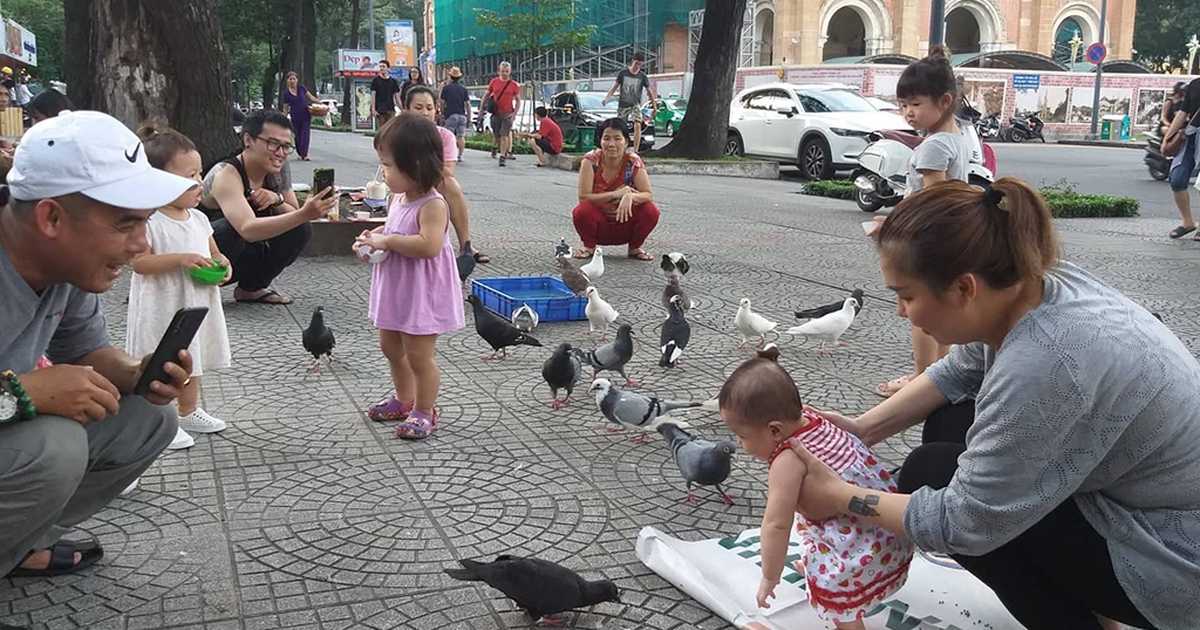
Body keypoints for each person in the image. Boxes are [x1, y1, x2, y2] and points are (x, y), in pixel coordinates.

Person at [787, 178, 1200, 630]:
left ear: (964, 289)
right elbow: (960, 369)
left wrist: (840, 496)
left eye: (906, 296)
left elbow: (964, 521)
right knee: (950, 423)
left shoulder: (1044, 363)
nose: (901, 313)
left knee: (932, 474)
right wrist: (861, 430)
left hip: (1175, 561)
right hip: (1140, 495)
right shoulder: (1034, 282)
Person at [0, 110, 195, 582]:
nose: (140, 244)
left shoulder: (65, 266)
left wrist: (136, 373)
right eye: (125, 223)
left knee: (145, 416)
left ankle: (21, 543)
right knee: (54, 447)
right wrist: (22, 391)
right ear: (51, 217)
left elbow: (88, 353)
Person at [720, 346, 913, 629]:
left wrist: (770, 576)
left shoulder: (788, 458)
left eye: (742, 436)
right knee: (815, 519)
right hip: (891, 537)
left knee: (839, 605)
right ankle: (817, 561)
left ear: (774, 430)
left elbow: (776, 524)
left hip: (859, 556)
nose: (739, 443)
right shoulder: (816, 419)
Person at [355, 114, 464, 438]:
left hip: (421, 293)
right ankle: (403, 399)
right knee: (390, 346)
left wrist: (386, 240)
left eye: (387, 165)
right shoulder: (398, 198)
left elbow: (428, 245)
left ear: (415, 164)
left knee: (419, 355)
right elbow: (392, 229)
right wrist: (372, 236)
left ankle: (424, 410)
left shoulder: (433, 204)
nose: (383, 173)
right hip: (396, 288)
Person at [129, 121, 232, 451]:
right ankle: (161, 421)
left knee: (193, 356)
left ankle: (188, 411)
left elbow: (214, 253)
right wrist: (180, 259)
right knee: (162, 362)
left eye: (199, 174)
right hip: (162, 304)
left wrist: (224, 265)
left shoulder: (199, 219)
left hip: (197, 302)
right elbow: (140, 263)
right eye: (188, 177)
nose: (199, 183)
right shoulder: (150, 221)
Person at [876, 46, 970, 398]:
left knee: (919, 310)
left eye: (915, 104)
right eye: (903, 105)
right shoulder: (956, 138)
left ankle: (920, 375)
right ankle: (941, 370)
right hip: (946, 236)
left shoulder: (932, 147)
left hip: (924, 238)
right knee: (938, 306)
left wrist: (892, 225)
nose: (907, 113)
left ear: (944, 101)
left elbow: (934, 200)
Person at [200, 109, 337, 305]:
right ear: (248, 140)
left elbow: (294, 216)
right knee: (232, 230)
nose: (280, 153)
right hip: (208, 257)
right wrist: (304, 213)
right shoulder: (226, 174)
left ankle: (251, 288)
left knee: (300, 228)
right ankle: (201, 288)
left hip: (245, 254)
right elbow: (247, 229)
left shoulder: (277, 169)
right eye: (273, 144)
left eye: (285, 146)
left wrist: (277, 199)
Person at [404, 85, 490, 264]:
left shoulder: (445, 136)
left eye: (429, 108)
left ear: (436, 110)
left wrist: (426, 148)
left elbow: (448, 172)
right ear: (407, 110)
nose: (425, 113)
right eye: (418, 108)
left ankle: (465, 245)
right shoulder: (399, 135)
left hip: (433, 183)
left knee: (450, 185)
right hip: (405, 184)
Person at [571, 118, 659, 261]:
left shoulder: (632, 161)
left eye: (618, 139)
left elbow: (648, 194)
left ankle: (635, 248)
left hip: (625, 222)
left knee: (650, 210)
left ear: (626, 142)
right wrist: (615, 194)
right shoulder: (590, 161)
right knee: (582, 211)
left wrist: (630, 196)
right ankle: (589, 247)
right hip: (599, 224)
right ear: (600, 141)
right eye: (606, 138)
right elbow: (583, 197)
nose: (611, 144)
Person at [1165, 78, 1200, 240]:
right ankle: (1188, 222)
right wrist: (1168, 138)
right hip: (1191, 137)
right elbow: (1183, 113)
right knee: (1177, 179)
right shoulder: (1195, 84)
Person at [602, 51, 657, 153]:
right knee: (620, 128)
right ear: (632, 61)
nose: (638, 66)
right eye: (636, 63)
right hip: (623, 104)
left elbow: (650, 92)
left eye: (640, 64)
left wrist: (654, 107)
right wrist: (606, 98)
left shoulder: (642, 77)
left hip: (635, 104)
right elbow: (614, 88)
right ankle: (622, 148)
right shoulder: (623, 74)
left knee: (637, 124)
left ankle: (635, 150)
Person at [483, 61, 520, 166]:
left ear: (510, 72)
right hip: (495, 113)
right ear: (498, 71)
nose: (504, 73)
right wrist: (482, 108)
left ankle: (503, 156)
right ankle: (498, 149)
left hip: (507, 113)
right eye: (503, 71)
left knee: (505, 135)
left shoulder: (513, 85)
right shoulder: (494, 82)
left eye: (507, 71)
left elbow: (518, 100)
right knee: (497, 136)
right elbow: (486, 95)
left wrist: (514, 114)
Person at [281, 71, 321, 161]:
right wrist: (284, 117)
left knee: (305, 135)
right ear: (287, 81)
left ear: (297, 80)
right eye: (290, 79)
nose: (292, 81)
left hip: (305, 115)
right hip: (295, 116)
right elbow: (285, 107)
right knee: (297, 135)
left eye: (294, 79)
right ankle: (299, 153)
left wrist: (320, 103)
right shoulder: (286, 94)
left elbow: (311, 97)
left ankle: (305, 154)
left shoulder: (302, 89)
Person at [438, 66, 471, 161]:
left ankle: (448, 155)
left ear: (450, 76)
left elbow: (442, 102)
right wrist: (469, 116)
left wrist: (442, 113)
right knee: (461, 136)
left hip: (450, 114)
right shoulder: (464, 89)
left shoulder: (446, 88)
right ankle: (460, 155)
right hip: (462, 114)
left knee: (448, 135)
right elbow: (468, 104)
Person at [370, 60, 402, 126]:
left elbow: (397, 97)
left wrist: (402, 109)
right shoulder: (376, 80)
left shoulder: (393, 81)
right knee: (382, 130)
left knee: (391, 128)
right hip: (380, 110)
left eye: (383, 66)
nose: (381, 68)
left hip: (390, 109)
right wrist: (373, 109)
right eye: (380, 66)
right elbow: (373, 95)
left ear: (388, 68)